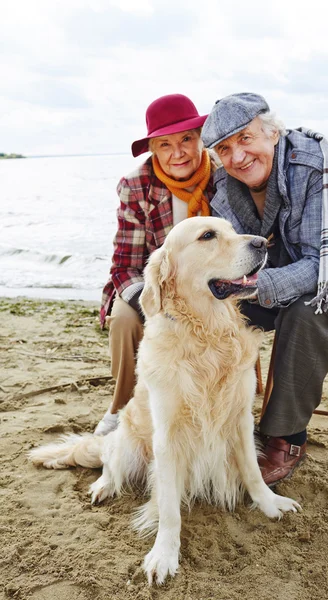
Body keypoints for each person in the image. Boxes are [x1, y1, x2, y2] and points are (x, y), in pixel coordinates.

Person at [201, 93, 328, 486]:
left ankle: (285, 437)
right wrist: (222, 288)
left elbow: (320, 265)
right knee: (210, 306)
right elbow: (230, 257)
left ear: (272, 132)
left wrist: (252, 285)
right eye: (225, 148)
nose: (238, 156)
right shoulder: (225, 183)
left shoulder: (315, 162)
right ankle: (215, 422)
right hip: (269, 278)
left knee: (304, 314)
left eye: (245, 139)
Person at [95, 94, 215, 435]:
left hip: (210, 288)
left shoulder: (223, 176)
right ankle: (121, 407)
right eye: (165, 144)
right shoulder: (136, 186)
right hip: (152, 284)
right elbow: (124, 266)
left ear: (200, 138)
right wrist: (156, 304)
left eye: (186, 140)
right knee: (123, 319)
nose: (178, 153)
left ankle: (217, 407)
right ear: (153, 148)